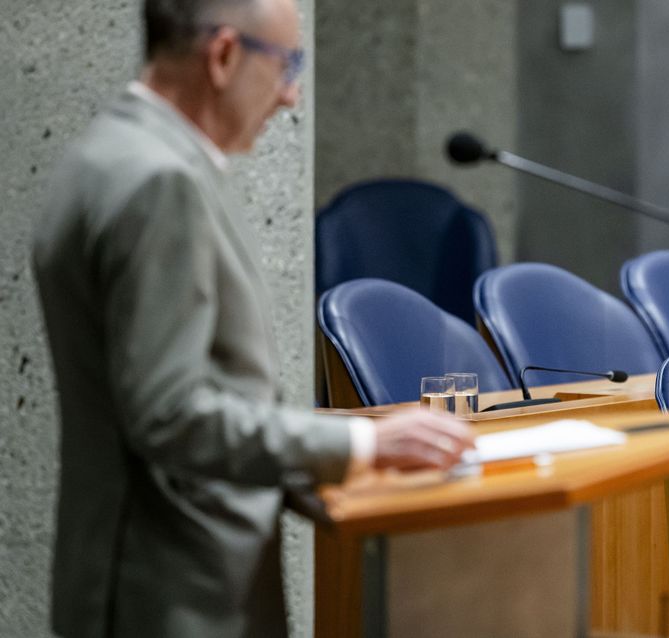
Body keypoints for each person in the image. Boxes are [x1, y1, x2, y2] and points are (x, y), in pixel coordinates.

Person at [32, 1, 474, 636]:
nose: (292, 95)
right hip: (171, 590)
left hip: (134, 572)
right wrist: (363, 442)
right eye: (288, 63)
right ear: (223, 56)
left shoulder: (106, 152)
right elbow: (170, 414)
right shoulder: (160, 182)